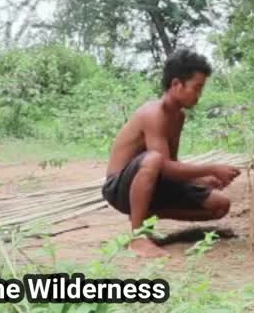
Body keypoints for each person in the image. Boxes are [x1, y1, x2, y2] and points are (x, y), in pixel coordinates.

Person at [101, 49, 241, 257]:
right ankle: (138, 236)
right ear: (176, 84)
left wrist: (202, 179)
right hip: (119, 188)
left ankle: (146, 213)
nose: (199, 95)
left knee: (220, 205)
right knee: (154, 159)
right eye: (197, 88)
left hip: (153, 181)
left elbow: (171, 166)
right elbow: (162, 164)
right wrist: (212, 167)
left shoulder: (178, 117)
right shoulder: (153, 114)